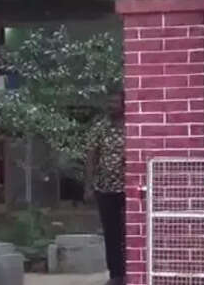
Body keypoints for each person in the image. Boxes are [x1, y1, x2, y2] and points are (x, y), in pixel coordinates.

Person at [85, 97, 125, 285]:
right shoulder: (100, 127)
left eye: (115, 102)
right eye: (108, 102)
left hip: (128, 190)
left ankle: (131, 272)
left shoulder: (133, 126)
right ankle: (116, 274)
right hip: (105, 189)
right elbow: (91, 157)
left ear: (124, 104)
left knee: (129, 231)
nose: (110, 106)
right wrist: (88, 186)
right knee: (111, 233)